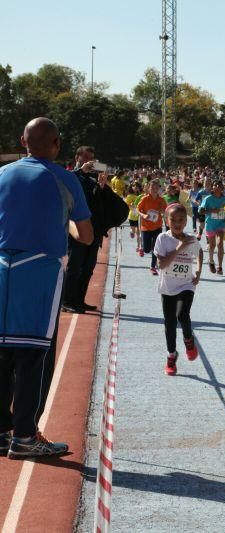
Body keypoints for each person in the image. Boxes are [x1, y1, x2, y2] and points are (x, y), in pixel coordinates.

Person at [0, 117, 93, 458]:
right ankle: (24, 435)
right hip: (39, 270)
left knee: (3, 351)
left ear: (23, 141)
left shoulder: (2, 174)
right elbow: (85, 234)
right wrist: (64, 225)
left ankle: (1, 430)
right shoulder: (63, 178)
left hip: (2, 267)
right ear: (56, 143)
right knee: (33, 354)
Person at [62, 145, 122, 313]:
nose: (89, 162)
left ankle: (79, 300)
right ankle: (67, 300)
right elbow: (65, 185)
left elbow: (100, 203)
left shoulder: (92, 180)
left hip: (94, 229)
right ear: (77, 158)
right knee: (75, 266)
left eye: (92, 159)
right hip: (77, 228)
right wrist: (81, 170)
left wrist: (103, 187)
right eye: (86, 158)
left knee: (88, 267)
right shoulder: (71, 176)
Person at [154, 203, 202, 376]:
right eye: (173, 219)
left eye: (181, 220)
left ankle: (189, 340)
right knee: (169, 323)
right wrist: (180, 248)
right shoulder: (162, 239)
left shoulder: (191, 239)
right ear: (167, 221)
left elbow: (199, 253)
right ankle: (171, 355)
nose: (177, 223)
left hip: (186, 284)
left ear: (186, 221)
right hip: (167, 287)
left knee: (182, 315)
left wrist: (198, 272)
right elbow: (162, 264)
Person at [199, 180, 225, 275]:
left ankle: (220, 267)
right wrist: (212, 210)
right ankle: (211, 261)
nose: (217, 186)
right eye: (215, 185)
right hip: (210, 225)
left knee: (220, 243)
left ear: (222, 189)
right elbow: (201, 211)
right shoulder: (208, 199)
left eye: (219, 185)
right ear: (213, 188)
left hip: (221, 224)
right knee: (212, 245)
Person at [137, 180, 168, 275]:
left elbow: (165, 211)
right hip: (146, 227)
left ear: (159, 189)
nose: (154, 190)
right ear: (149, 188)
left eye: (156, 188)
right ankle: (143, 248)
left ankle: (153, 267)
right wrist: (143, 215)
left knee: (156, 248)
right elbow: (138, 209)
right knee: (147, 249)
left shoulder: (161, 200)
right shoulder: (145, 199)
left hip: (157, 227)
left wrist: (163, 212)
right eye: (152, 188)